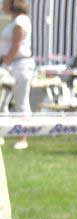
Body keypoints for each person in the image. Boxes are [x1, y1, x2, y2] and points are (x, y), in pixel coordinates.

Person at [0, 0, 34, 150]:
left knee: (21, 102)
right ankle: (3, 132)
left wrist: (4, 65)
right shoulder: (13, 21)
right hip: (11, 65)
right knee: (3, 102)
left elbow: (15, 46)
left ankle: (22, 138)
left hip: (20, 66)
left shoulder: (20, 22)